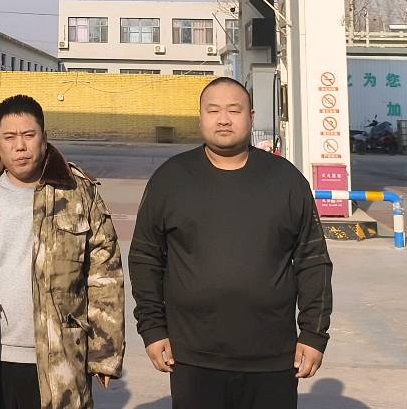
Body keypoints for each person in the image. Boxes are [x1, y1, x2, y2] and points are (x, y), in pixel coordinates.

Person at [130, 77, 333, 409]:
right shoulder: (171, 179)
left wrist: (313, 333)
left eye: (234, 110)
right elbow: (145, 257)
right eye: (213, 110)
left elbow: (313, 260)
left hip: (272, 357)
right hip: (192, 357)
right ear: (200, 117)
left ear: (251, 117)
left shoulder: (286, 180)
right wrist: (152, 328)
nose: (223, 119)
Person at [0, 94, 125, 409]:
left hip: (61, 358)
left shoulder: (78, 193)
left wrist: (104, 351)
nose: (20, 146)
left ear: (44, 138)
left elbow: (105, 275)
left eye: (29, 135)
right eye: (10, 137)